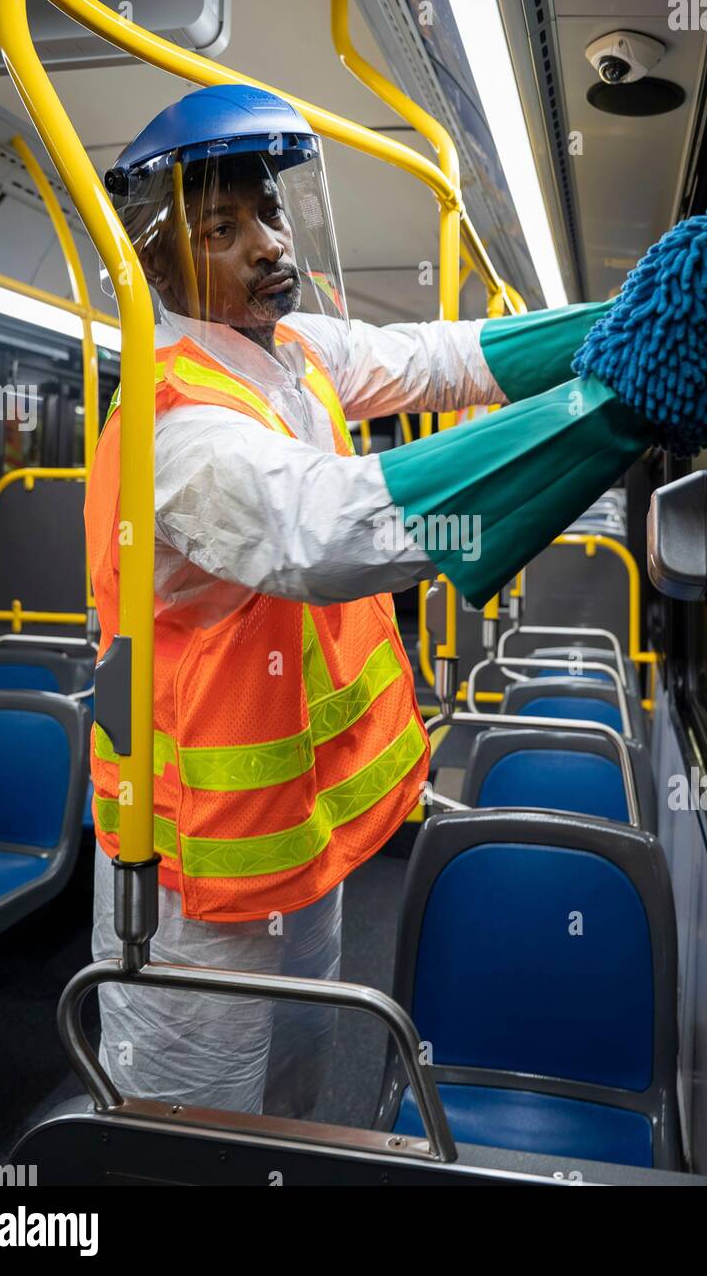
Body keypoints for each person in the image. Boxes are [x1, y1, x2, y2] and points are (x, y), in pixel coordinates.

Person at [86, 83, 652, 1118]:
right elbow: (326, 529)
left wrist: (619, 324)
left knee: (297, 1083)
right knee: (189, 1125)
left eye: (269, 210)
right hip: (192, 864)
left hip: (299, 829)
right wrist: (606, 413)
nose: (264, 241)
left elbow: (436, 358)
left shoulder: (290, 353)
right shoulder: (174, 423)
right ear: (157, 266)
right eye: (223, 226)